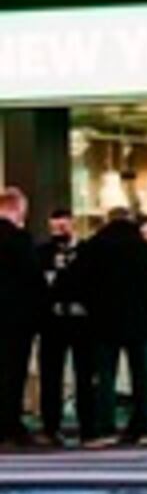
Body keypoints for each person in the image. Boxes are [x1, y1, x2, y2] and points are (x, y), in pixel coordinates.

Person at [64, 206, 147, 445]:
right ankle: (142, 428)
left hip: (103, 319)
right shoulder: (144, 249)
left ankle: (105, 426)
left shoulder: (94, 247)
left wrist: (86, 304)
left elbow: (74, 279)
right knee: (142, 376)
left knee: (105, 375)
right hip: (140, 319)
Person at [34, 208, 85, 447]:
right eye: (54, 228)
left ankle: (88, 424)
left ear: (73, 225)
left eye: (63, 227)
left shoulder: (85, 251)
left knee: (84, 374)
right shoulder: (42, 252)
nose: (59, 233)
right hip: (52, 320)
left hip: (80, 319)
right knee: (50, 375)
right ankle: (50, 425)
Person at [0, 188, 40, 447]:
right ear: (17, 209)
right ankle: (9, 424)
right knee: (13, 373)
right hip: (15, 319)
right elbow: (33, 279)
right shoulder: (20, 239)